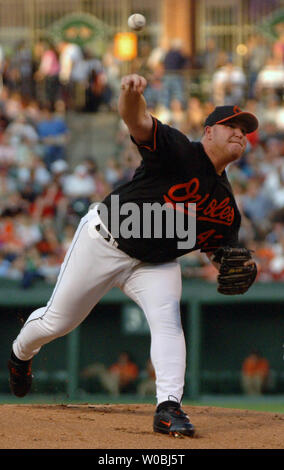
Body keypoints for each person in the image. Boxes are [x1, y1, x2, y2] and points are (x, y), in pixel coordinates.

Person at [7, 73, 258, 438]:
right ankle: (20, 354)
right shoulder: (179, 150)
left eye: (243, 129)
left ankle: (168, 407)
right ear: (208, 132)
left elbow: (219, 255)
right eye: (230, 125)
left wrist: (238, 268)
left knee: (168, 320)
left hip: (154, 265)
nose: (239, 133)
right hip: (104, 241)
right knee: (57, 323)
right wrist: (129, 94)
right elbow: (136, 119)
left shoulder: (225, 208)